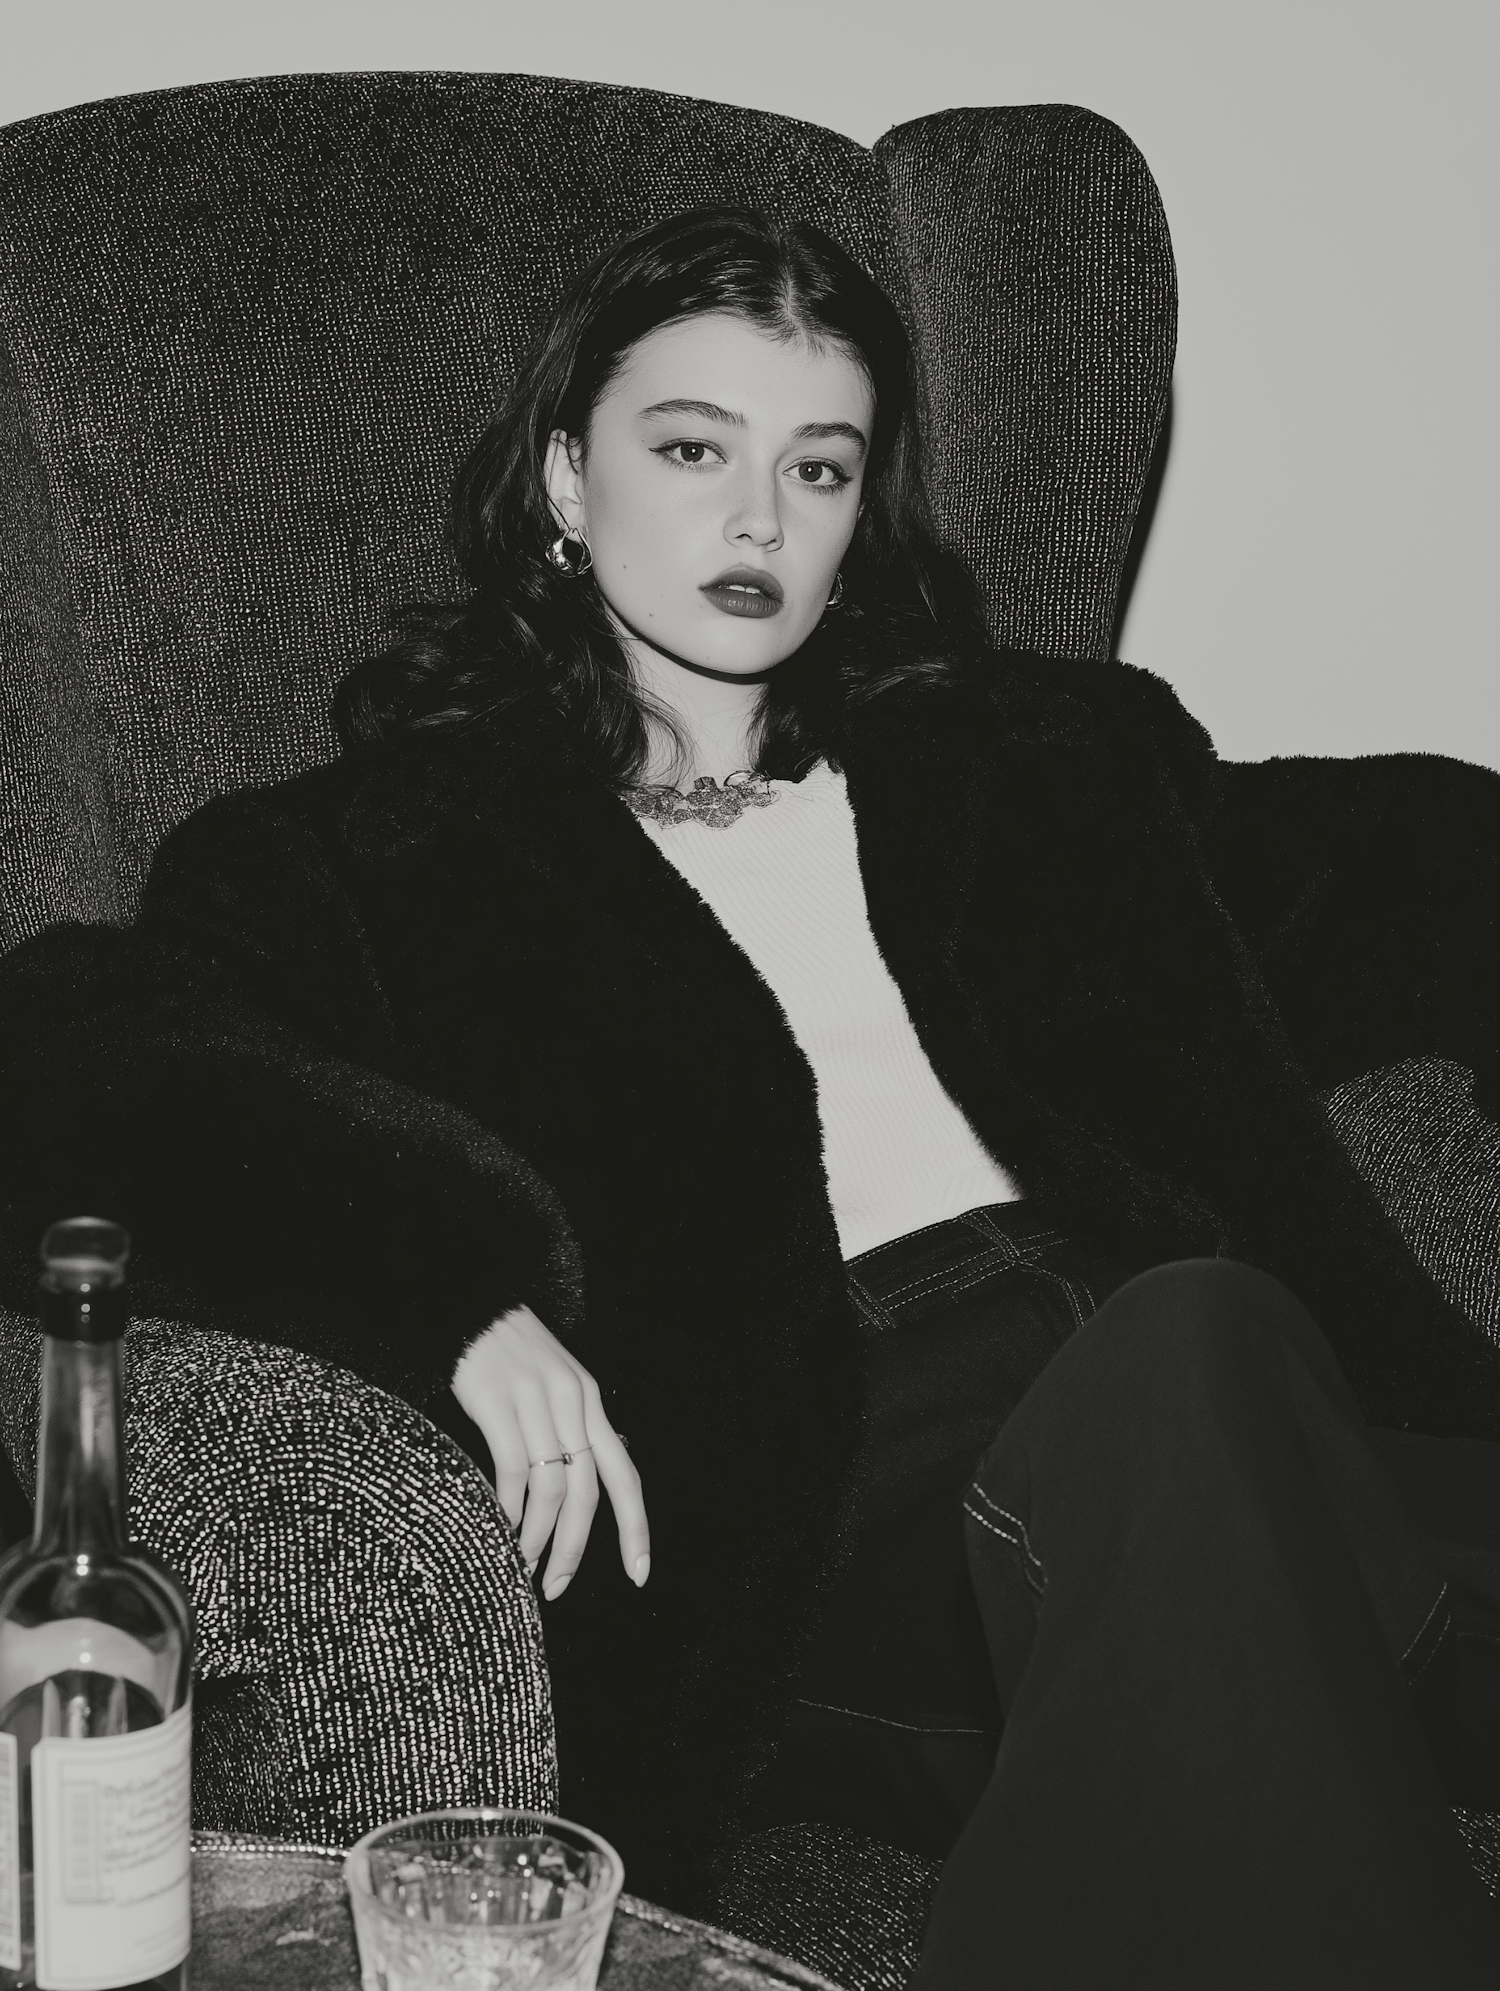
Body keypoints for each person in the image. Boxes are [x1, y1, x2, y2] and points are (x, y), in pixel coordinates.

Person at [2, 202, 1499, 1982]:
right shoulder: (381, 859)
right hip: (868, 1503)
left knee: (1207, 1351)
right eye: (694, 448)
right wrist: (440, 1283)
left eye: (820, 466)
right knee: (1188, 1350)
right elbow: (69, 1048)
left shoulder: (1044, 765)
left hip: (1254, 1426)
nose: (760, 519)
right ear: (567, 478)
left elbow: (1432, 863)